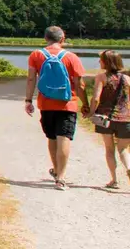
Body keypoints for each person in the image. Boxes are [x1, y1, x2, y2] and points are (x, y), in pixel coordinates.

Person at [24, 26, 90, 190]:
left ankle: (56, 170)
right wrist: (85, 104)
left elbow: (31, 79)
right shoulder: (71, 57)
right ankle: (61, 177)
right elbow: (79, 84)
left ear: (46, 38)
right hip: (67, 104)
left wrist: (28, 100)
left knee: (52, 138)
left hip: (46, 104)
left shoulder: (36, 55)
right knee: (64, 138)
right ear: (62, 39)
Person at [92, 49, 130, 191]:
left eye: (101, 59)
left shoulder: (102, 77)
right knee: (123, 149)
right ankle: (129, 167)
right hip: (126, 119)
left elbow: (96, 98)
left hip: (106, 118)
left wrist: (90, 112)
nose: (99, 62)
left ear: (106, 62)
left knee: (109, 149)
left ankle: (114, 180)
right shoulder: (127, 79)